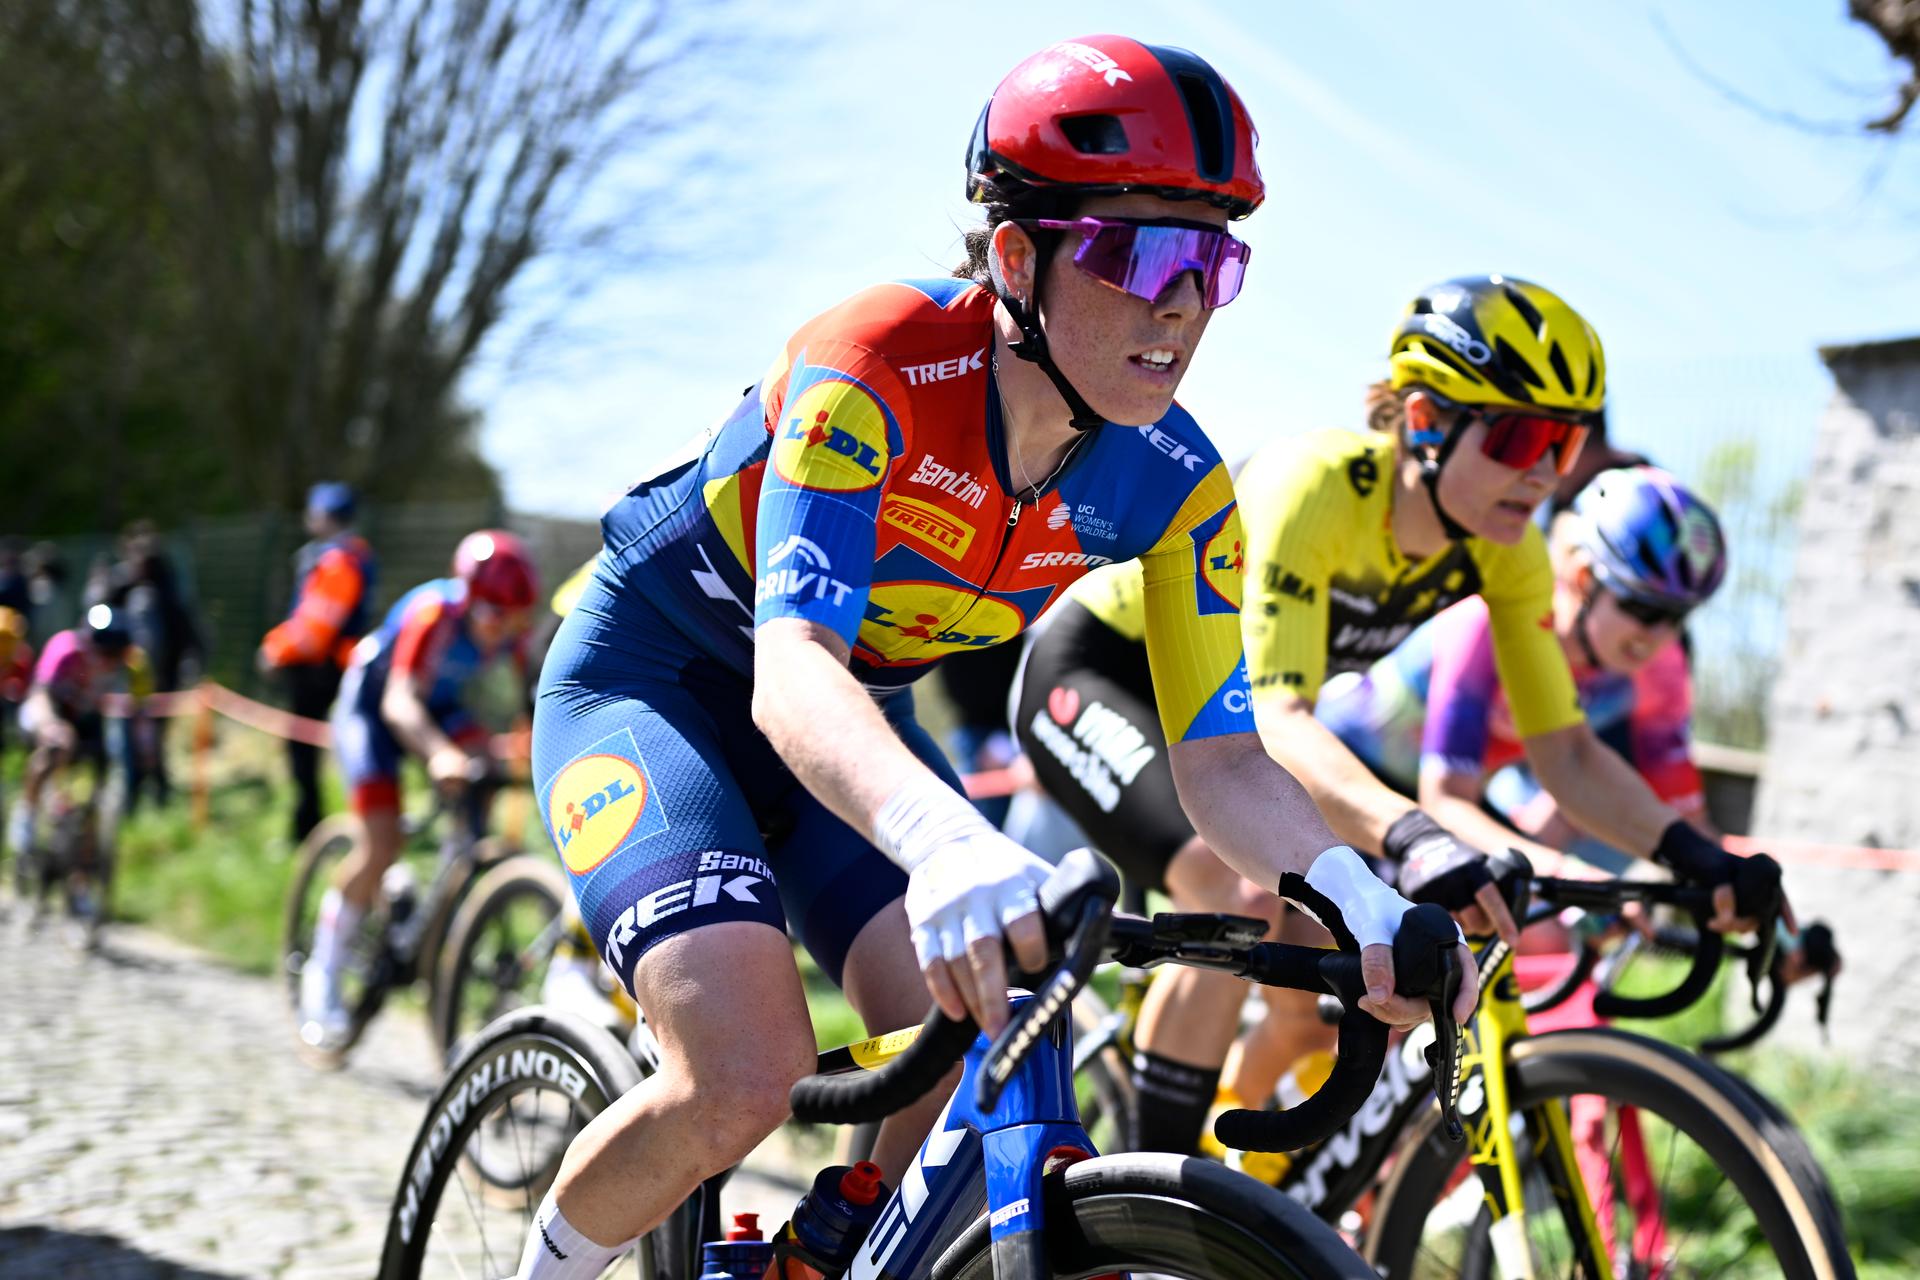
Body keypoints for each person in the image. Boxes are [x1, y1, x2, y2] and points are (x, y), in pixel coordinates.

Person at [514, 36, 1472, 1280]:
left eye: (1214, 262)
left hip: (850, 726)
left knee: (988, 1030)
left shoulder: (1177, 482)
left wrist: (1358, 892)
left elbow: (1225, 761)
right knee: (743, 1074)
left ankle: (826, 1247)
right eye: (1144, 256)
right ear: (1017, 257)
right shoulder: (876, 361)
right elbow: (792, 663)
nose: (1182, 304)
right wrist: (942, 835)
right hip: (660, 681)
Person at [1016, 274, 1789, 1155]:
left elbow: (1568, 754)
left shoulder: (1510, 549)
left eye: (1565, 444)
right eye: (1520, 438)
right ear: (1423, 421)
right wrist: (1420, 837)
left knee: (1324, 971)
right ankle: (1144, 1203)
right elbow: (1277, 718)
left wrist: (1693, 855)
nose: (1543, 473)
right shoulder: (1315, 485)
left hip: (1225, 728)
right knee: (1236, 893)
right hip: (1104, 674)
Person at [1316, 465, 1726, 872]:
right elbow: (1445, 801)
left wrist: (1728, 875)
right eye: (1643, 608)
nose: (1658, 635)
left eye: (1677, 616)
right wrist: (1561, 870)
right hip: (1344, 765)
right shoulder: (1487, 622)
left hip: (1436, 801)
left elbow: (1686, 817)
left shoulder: (1662, 666)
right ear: (1584, 579)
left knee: (1544, 911)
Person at [296, 529, 537, 1048]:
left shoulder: (507, 628)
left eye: (515, 621)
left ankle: (446, 886)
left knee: (483, 768)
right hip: (373, 708)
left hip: (436, 707)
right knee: (381, 842)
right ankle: (324, 969)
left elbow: (532, 704)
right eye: (494, 618)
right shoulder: (434, 613)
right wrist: (440, 754)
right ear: (469, 598)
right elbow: (399, 702)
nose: (501, 633)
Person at [259, 483, 377, 842]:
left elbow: (316, 626)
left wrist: (275, 650)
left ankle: (311, 830)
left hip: (319, 669)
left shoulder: (337, 561)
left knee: (305, 751)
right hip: (333, 665)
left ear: (326, 516)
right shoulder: (352, 555)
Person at [8, 606, 143, 914]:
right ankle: (27, 816)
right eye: (105, 654)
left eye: (115, 656)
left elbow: (137, 706)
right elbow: (40, 694)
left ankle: (81, 873)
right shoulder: (65, 649)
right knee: (56, 747)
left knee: (100, 784)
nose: (109, 663)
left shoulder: (129, 665)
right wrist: (50, 727)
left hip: (86, 720)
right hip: (48, 710)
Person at [98, 520, 203, 812]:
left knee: (152, 737)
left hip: (160, 678)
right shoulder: (120, 586)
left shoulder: (167, 590)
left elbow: (186, 630)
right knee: (130, 739)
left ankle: (156, 788)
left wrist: (187, 665)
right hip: (127, 678)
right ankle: (135, 791)